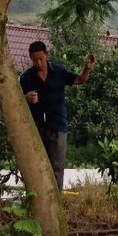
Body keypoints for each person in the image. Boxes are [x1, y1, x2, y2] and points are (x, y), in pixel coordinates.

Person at [19, 41, 95, 192]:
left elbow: (80, 80)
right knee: (38, 165)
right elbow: (17, 103)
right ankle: (39, 198)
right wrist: (26, 99)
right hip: (37, 127)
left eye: (41, 58)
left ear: (47, 55)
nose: (38, 62)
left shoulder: (59, 71)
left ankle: (56, 199)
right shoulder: (26, 78)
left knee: (58, 166)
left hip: (58, 125)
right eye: (35, 59)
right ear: (31, 58)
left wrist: (87, 68)